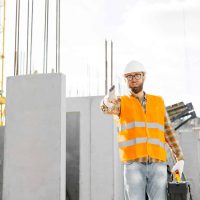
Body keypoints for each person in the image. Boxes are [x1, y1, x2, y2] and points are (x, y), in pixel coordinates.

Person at [100, 60, 184, 200]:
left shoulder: (158, 101)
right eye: (129, 76)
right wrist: (108, 100)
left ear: (143, 76)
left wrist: (179, 158)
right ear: (126, 79)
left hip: (158, 164)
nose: (133, 79)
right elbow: (106, 109)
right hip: (134, 164)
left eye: (137, 75)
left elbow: (168, 131)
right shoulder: (121, 102)